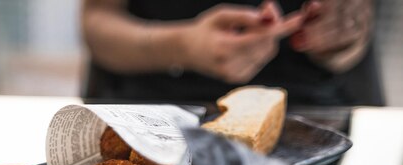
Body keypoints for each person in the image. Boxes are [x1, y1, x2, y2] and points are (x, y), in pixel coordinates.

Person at [81, 0, 383, 105]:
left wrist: (341, 36)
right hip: (150, 110)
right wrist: (181, 46)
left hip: (308, 115)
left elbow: (353, 42)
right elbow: (97, 22)